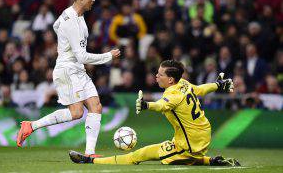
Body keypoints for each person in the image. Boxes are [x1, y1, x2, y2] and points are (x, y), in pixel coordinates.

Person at [16, 0, 121, 157]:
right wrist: (107, 56)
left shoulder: (75, 16)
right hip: (67, 70)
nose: (93, 0)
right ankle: (31, 126)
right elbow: (81, 56)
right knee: (77, 113)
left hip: (78, 70)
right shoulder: (71, 20)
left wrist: (62, 42)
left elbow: (56, 25)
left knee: (96, 106)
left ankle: (89, 153)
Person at [69, 60, 240, 166]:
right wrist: (218, 85)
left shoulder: (172, 94)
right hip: (200, 134)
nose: (156, 76)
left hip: (190, 144)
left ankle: (91, 160)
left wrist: (146, 106)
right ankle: (212, 160)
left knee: (139, 155)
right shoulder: (184, 84)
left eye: (160, 74)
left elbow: (161, 106)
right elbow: (200, 89)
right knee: (177, 158)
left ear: (170, 79)